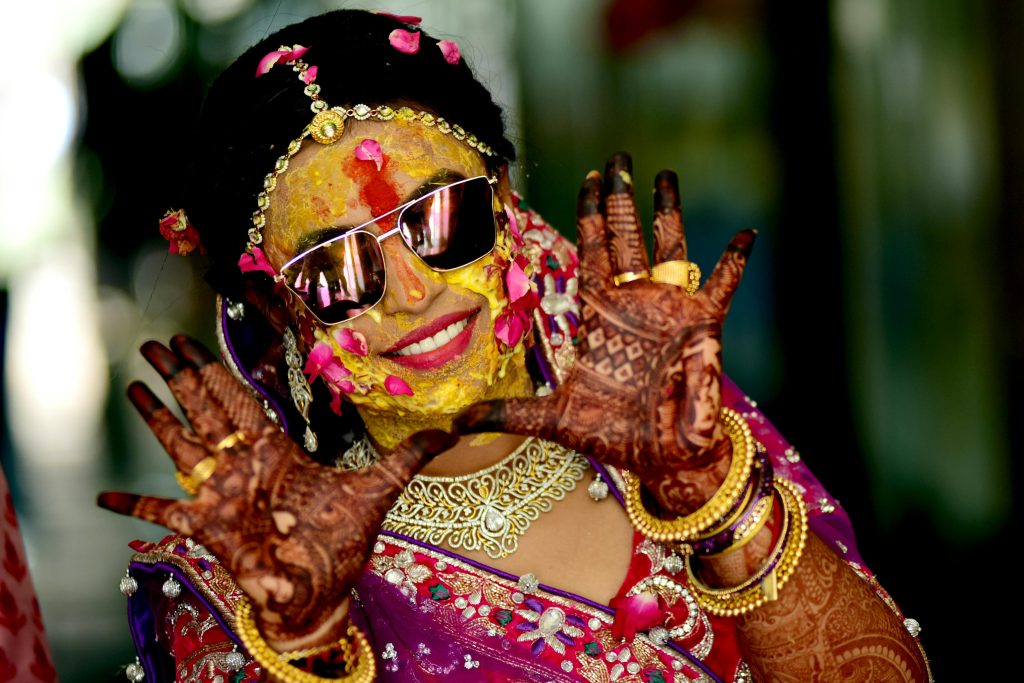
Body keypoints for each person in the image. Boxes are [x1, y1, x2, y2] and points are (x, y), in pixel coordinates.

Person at [99, 10, 931, 682]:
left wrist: (710, 494)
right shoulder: (255, 574)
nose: (413, 289)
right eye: (338, 267)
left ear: (506, 205)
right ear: (277, 309)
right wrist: (308, 647)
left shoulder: (668, 431)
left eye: (442, 219)